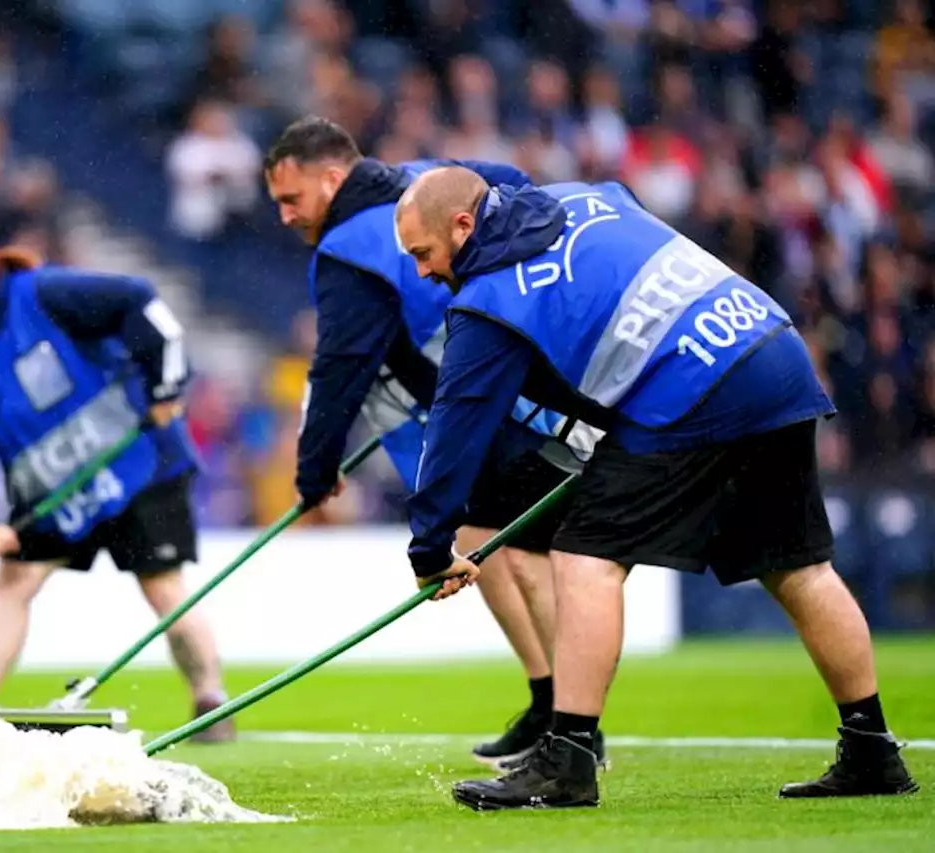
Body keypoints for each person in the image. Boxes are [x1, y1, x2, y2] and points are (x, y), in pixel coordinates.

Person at [393, 167, 919, 808]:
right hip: (771, 350)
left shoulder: (490, 302)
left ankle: (569, 761)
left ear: (464, 226)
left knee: (585, 556)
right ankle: (871, 750)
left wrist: (429, 551)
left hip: (689, 391)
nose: (421, 272)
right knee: (798, 566)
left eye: (423, 254)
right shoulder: (584, 195)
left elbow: (453, 431)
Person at [263, 116, 604, 768]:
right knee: (482, 541)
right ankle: (548, 701)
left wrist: (314, 474)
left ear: (332, 179)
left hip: (502, 412)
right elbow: (516, 185)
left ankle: (573, 727)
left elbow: (338, 371)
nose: (283, 215)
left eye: (290, 198)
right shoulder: (426, 179)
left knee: (523, 558)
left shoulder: (345, 252)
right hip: (513, 393)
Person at [0, 230, 235, 743]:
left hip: (136, 465)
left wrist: (165, 386)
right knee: (14, 582)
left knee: (163, 585)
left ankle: (211, 702)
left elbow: (139, 302)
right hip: (53, 492)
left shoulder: (45, 294)